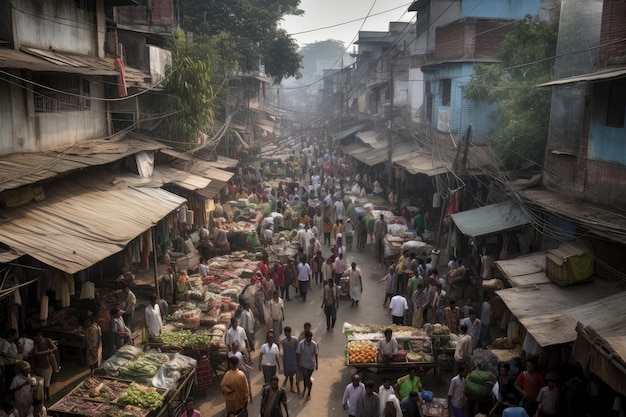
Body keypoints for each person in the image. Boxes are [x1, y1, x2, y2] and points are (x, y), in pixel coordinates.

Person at [32, 332, 58, 400]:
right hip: (39, 364)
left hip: (47, 363)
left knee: (47, 382)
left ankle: (47, 395)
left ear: (41, 336)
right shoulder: (36, 343)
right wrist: (47, 351)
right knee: (41, 382)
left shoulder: (47, 340)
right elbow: (35, 353)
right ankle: (42, 396)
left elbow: (55, 347)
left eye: (37, 337)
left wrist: (49, 351)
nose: (36, 338)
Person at [296, 330, 318, 400]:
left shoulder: (314, 344)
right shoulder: (301, 344)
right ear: (305, 338)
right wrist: (298, 364)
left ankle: (306, 391)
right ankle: (308, 393)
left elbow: (316, 354)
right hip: (303, 364)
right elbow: (298, 354)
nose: (310, 340)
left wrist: (317, 364)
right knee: (306, 378)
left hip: (311, 364)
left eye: (311, 338)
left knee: (307, 379)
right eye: (308, 338)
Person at [279, 327, 299, 393]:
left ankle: (294, 386)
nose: (285, 333)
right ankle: (292, 388)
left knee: (294, 373)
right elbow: (282, 351)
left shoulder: (295, 340)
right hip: (287, 359)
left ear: (290, 332)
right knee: (289, 373)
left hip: (294, 359)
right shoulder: (283, 341)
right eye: (285, 332)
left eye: (286, 332)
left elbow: (297, 349)